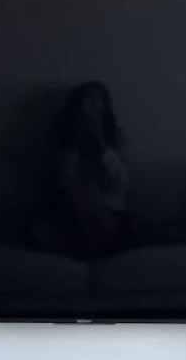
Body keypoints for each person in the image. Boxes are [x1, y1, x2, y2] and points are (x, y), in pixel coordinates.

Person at [42, 81, 135, 258]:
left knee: (100, 220)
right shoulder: (65, 145)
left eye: (96, 101)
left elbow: (121, 182)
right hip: (72, 214)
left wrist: (100, 145)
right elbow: (63, 184)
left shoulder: (115, 140)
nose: (90, 108)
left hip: (110, 214)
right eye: (86, 101)